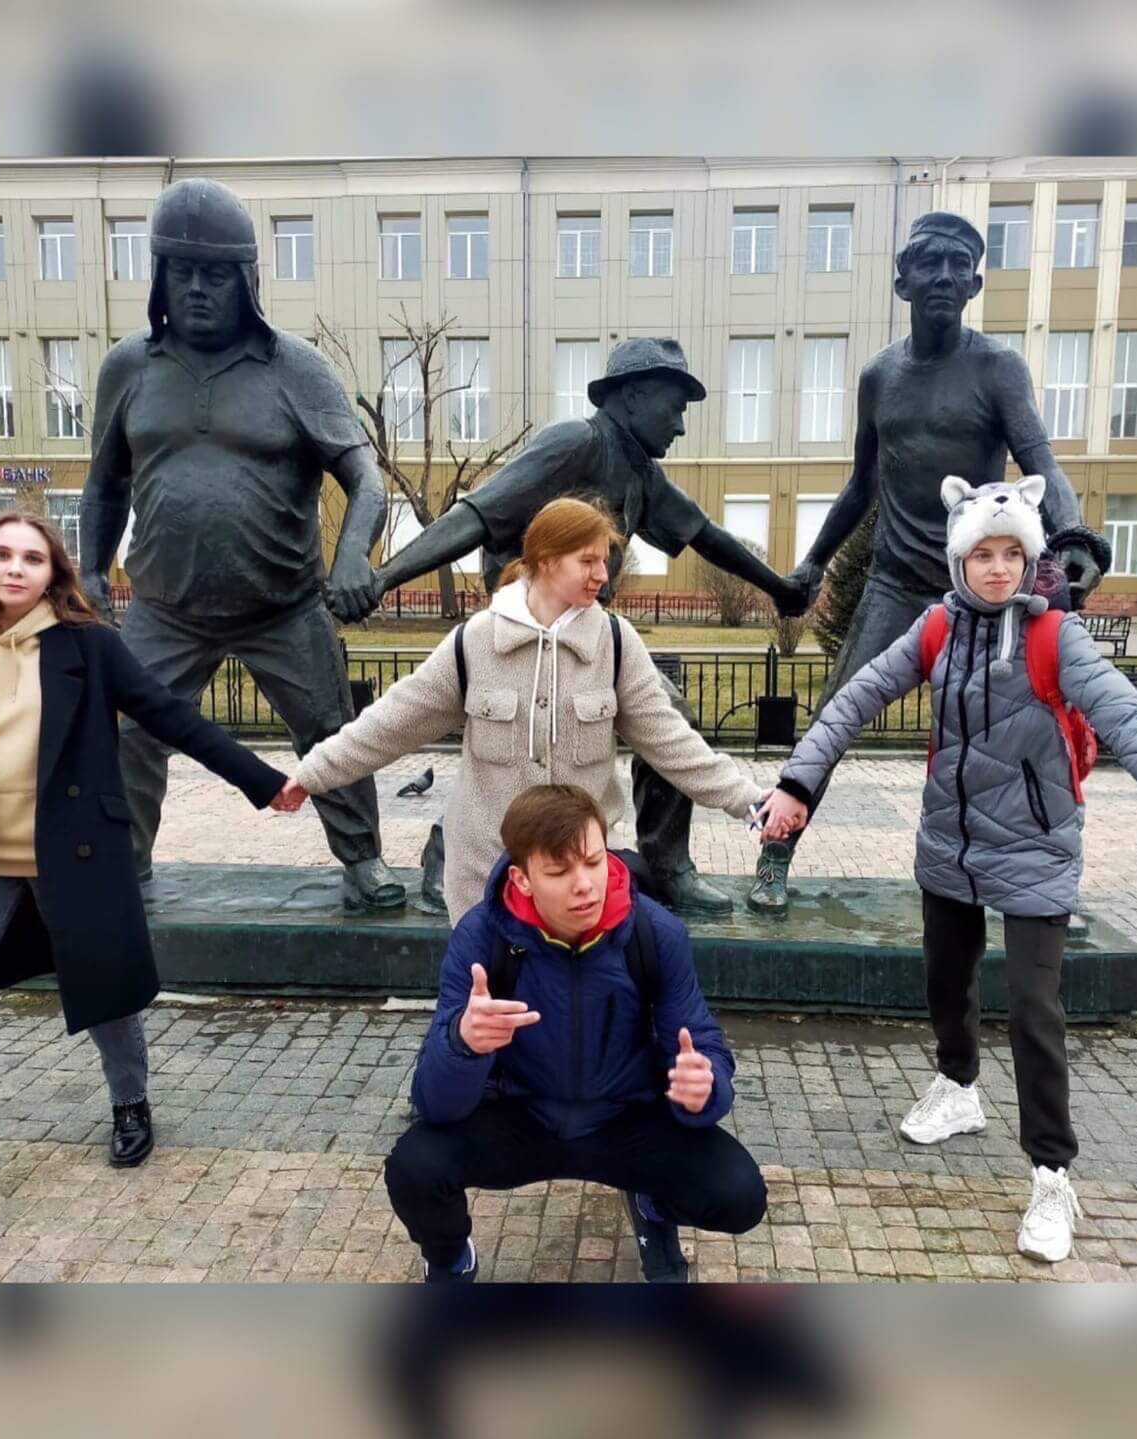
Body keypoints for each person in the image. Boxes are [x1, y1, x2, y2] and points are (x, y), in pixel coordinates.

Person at [757, 475, 1137, 1264]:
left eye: (1011, 553)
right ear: (960, 559)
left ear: (1029, 558)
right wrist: (797, 783)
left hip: (1036, 847)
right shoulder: (937, 628)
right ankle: (957, 1087)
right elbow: (853, 700)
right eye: (982, 553)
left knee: (1032, 1007)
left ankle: (1052, 1174)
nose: (996, 567)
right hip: (950, 843)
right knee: (945, 980)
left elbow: (1132, 723)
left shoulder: (1055, 637)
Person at [0, 511, 296, 1252]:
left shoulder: (88, 646)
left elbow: (169, 716)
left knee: (105, 990)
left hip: (75, 853)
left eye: (32, 557)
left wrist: (263, 781)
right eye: (2, 554)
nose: (15, 568)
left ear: (52, 573)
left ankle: (131, 1102)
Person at [334, 337, 804, 916]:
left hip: (581, 628)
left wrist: (778, 587)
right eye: (675, 407)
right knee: (517, 745)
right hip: (520, 627)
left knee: (658, 720)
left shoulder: (640, 472)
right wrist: (385, 577)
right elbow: (476, 514)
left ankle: (666, 865)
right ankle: (452, 848)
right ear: (634, 396)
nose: (681, 426)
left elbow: (707, 535)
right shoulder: (577, 443)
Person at [749, 211, 1114, 917]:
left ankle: (1041, 884)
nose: (944, 277)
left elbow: (1040, 462)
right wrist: (815, 562)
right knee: (834, 715)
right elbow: (861, 486)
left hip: (979, 589)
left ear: (974, 284)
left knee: (1028, 731)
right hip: (894, 581)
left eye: (958, 266)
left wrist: (1071, 536)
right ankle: (776, 850)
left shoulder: (998, 369)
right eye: (929, 263)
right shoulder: (880, 376)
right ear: (903, 281)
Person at [77, 176, 402, 913]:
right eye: (182, 271)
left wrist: (354, 554)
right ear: (158, 276)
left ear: (248, 280)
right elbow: (103, 484)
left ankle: (362, 860)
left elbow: (365, 477)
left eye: (216, 274)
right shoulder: (128, 367)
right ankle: (124, 870)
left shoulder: (297, 368)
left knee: (330, 733)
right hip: (165, 609)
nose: (197, 289)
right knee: (127, 734)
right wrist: (89, 571)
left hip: (283, 608)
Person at [282, 497, 767, 924]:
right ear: (547, 560)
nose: (603, 575)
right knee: (487, 999)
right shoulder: (475, 642)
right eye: (588, 561)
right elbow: (390, 724)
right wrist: (310, 775)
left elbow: (673, 743)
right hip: (485, 886)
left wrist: (750, 802)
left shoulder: (616, 645)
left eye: (605, 561)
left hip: (579, 891)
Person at [383, 784, 767, 1282]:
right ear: (522, 879)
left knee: (739, 1195)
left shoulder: (655, 934)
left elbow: (701, 1041)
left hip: (626, 1119)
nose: (584, 884)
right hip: (520, 1117)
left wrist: (704, 1086)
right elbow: (433, 1102)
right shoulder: (480, 938)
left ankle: (653, 1207)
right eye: (559, 871)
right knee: (413, 1169)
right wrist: (463, 1042)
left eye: (593, 861)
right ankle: (451, 1257)